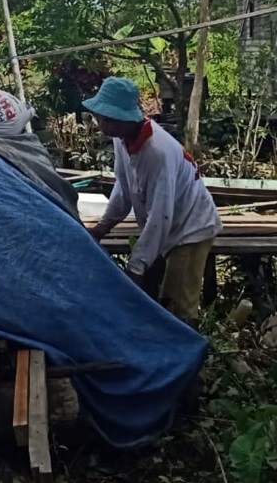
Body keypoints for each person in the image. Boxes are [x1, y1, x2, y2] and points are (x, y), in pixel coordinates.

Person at [83, 76, 222, 326]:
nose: (100, 124)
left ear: (125, 119)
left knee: (177, 303)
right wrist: (103, 227)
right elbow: (124, 188)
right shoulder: (121, 139)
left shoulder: (157, 152)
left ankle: (186, 352)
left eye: (106, 119)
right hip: (166, 226)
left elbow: (161, 215)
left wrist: (136, 266)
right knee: (154, 286)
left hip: (190, 228)